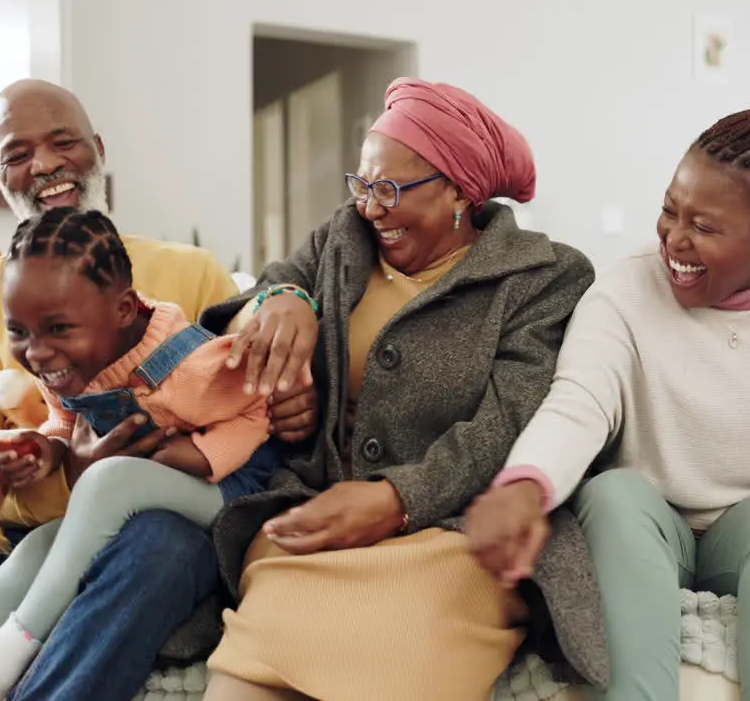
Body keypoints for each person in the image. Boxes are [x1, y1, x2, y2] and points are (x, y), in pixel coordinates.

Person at [466, 96, 750, 701]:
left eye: (703, 226)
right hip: (648, 528)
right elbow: (579, 402)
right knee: (615, 492)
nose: (675, 239)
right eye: (670, 212)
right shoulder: (624, 289)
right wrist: (524, 484)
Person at [0, 79, 317, 701]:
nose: (45, 164)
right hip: (15, 540)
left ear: (96, 149)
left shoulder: (189, 272)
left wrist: (291, 403)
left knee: (161, 547)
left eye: (63, 142)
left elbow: (245, 394)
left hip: (159, 525)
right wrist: (65, 466)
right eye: (17, 154)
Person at [194, 77, 599, 701]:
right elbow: (267, 288)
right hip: (318, 509)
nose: (370, 207)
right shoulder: (341, 240)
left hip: (454, 533)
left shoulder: (542, 277)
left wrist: (394, 501)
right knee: (252, 666)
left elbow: (509, 421)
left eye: (388, 189)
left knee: (406, 655)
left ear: (460, 192)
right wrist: (281, 299)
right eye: (361, 184)